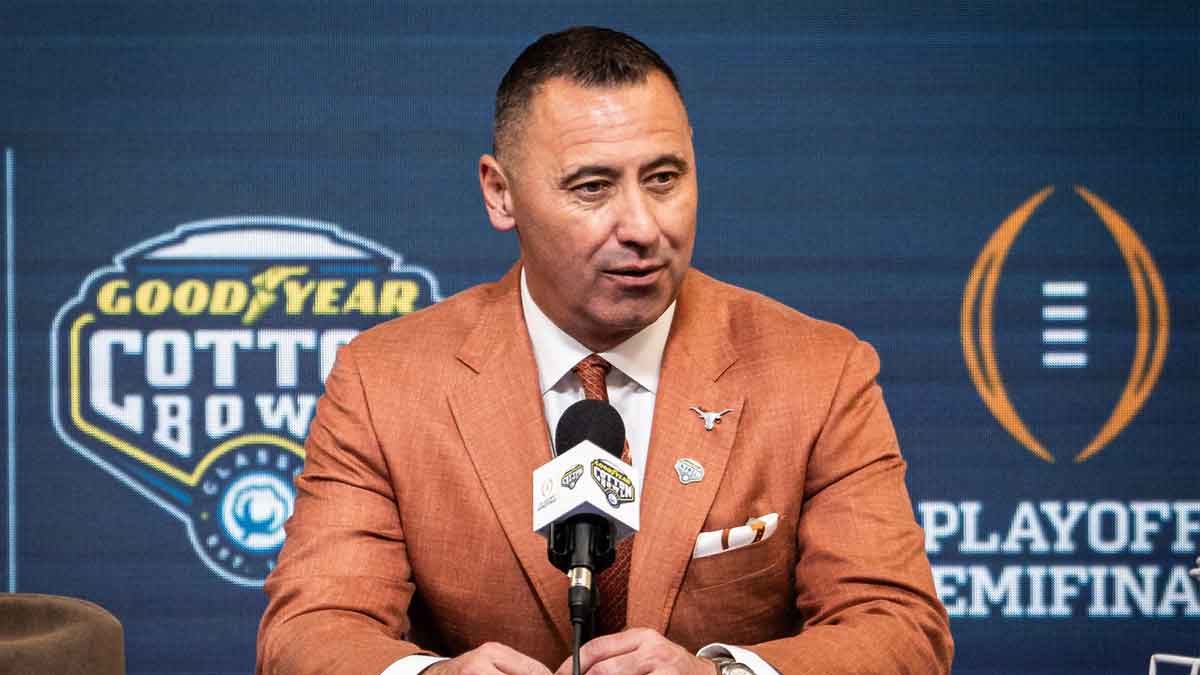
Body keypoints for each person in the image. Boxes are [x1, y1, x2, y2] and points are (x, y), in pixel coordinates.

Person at [256, 26, 953, 675]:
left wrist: (718, 673)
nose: (643, 226)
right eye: (593, 187)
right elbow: (309, 629)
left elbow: (899, 628)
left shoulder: (818, 372)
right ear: (501, 194)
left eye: (664, 178)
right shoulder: (386, 382)